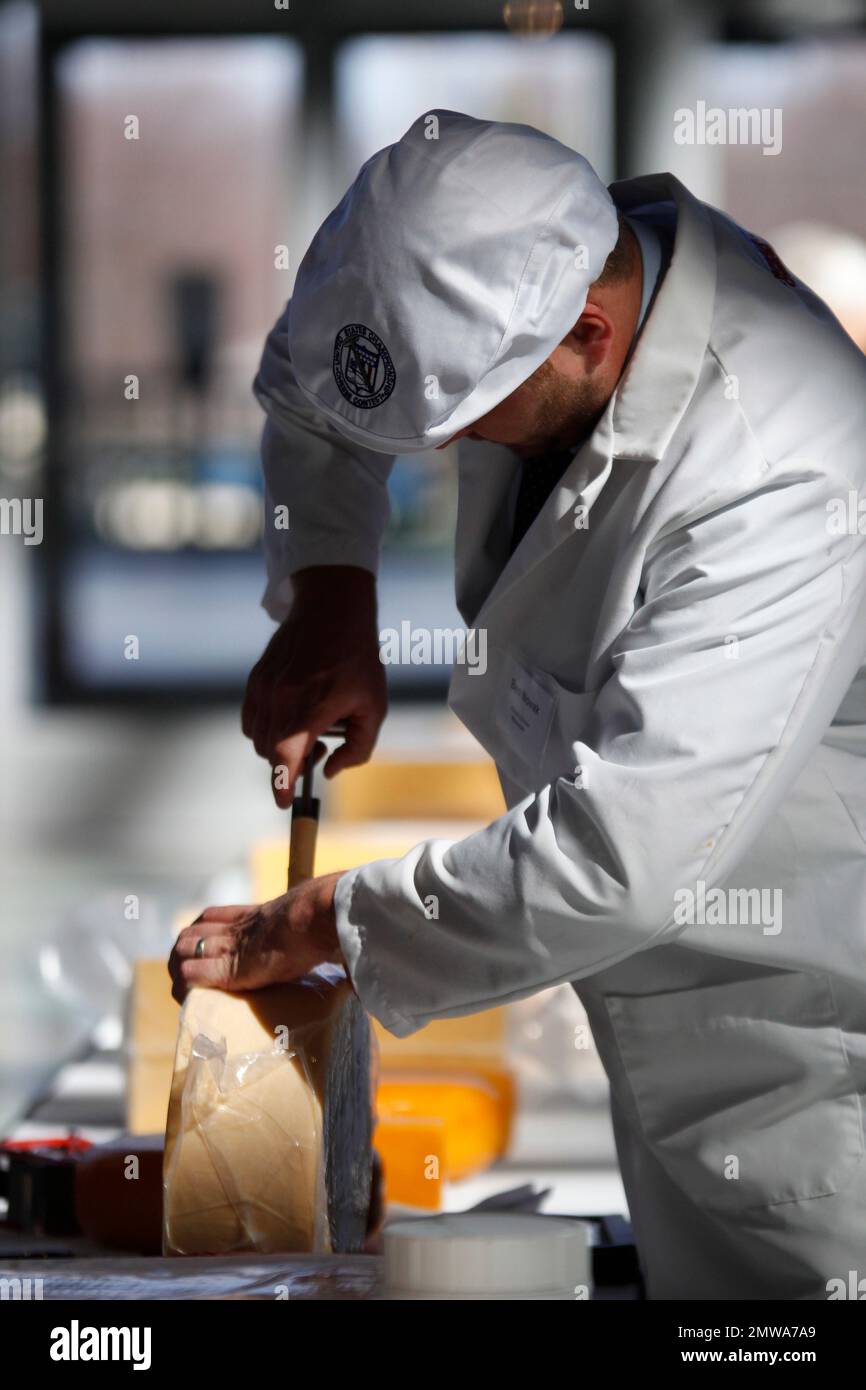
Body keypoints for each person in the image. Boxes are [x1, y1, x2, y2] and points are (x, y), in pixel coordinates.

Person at [169, 111, 866, 1300]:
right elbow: (310, 389)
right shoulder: (504, 289)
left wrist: (327, 921)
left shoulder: (781, 473)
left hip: (804, 1063)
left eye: (458, 427)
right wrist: (331, 590)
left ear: (588, 337)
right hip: (655, 1030)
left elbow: (619, 861)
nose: (443, 453)